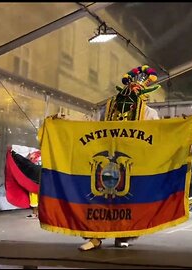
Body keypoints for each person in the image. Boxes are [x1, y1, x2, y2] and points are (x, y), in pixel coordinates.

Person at [79, 65, 161, 251]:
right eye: (129, 87)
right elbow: (98, 131)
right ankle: (95, 236)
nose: (131, 91)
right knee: (99, 198)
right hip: (106, 160)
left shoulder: (149, 113)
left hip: (133, 164)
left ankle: (123, 235)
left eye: (136, 89)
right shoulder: (108, 109)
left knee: (126, 202)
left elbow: (156, 137)